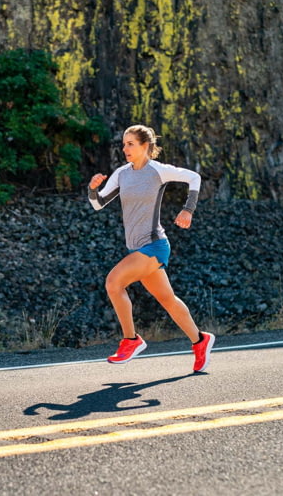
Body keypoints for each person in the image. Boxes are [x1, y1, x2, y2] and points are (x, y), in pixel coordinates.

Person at [88, 124, 215, 372]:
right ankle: (200, 340)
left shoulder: (157, 170)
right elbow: (98, 204)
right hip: (137, 248)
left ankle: (131, 340)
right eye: (124, 144)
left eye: (130, 144)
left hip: (155, 245)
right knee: (167, 300)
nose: (125, 148)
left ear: (145, 146)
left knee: (114, 282)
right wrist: (92, 189)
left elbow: (194, 178)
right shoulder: (122, 174)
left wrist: (188, 209)